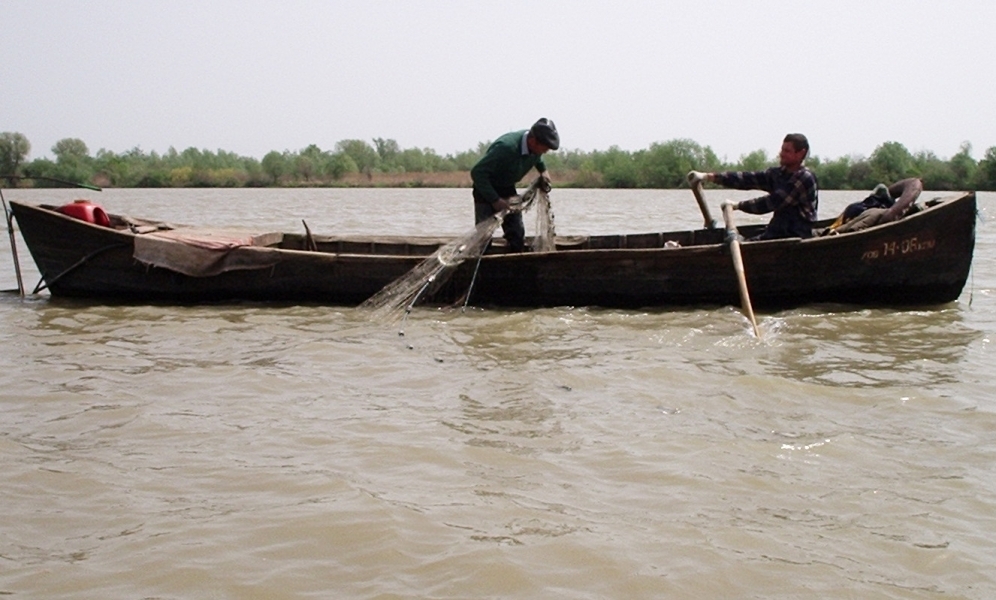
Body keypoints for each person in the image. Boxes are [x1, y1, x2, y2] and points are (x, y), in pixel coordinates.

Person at [687, 133, 818, 240]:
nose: (781, 154)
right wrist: (709, 177)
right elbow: (747, 178)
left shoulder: (804, 178)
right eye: (782, 149)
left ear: (800, 153)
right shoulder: (778, 174)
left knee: (747, 243)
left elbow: (771, 202)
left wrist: (738, 205)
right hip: (778, 232)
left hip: (797, 234)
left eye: (787, 151)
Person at [471, 118, 559, 252]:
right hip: (486, 188)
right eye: (545, 148)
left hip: (507, 187)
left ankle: (514, 263)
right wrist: (495, 200)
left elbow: (538, 157)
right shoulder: (506, 148)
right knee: (484, 237)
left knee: (517, 233)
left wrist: (543, 171)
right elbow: (477, 173)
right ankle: (485, 267)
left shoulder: (535, 149)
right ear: (533, 141)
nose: (545, 151)